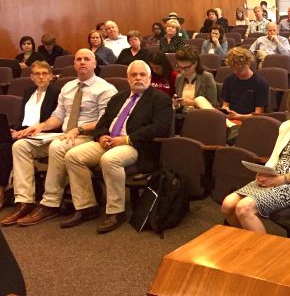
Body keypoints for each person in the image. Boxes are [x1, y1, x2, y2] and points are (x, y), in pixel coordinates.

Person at [0, 49, 117, 227]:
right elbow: (58, 116)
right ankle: (25, 201)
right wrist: (40, 126)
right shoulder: (68, 87)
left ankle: (50, 202)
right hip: (63, 135)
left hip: (88, 137)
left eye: (87, 59)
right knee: (21, 146)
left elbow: (105, 121)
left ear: (95, 64)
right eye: (79, 59)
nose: (82, 62)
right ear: (74, 64)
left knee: (57, 146)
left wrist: (79, 129)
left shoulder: (106, 89)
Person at [62, 61, 172, 233]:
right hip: (108, 142)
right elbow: (103, 122)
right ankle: (86, 206)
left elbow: (159, 128)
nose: (138, 78)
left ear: (149, 78)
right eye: (134, 75)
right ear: (127, 78)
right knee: (73, 156)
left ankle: (116, 211)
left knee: (109, 159)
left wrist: (127, 139)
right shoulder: (118, 98)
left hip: (136, 146)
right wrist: (101, 136)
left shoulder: (160, 99)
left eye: (142, 74)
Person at [220, 83, 290, 233]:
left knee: (244, 208)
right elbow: (275, 157)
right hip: (274, 178)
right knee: (228, 205)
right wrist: (264, 172)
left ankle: (264, 254)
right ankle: (248, 245)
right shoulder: (286, 126)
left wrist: (283, 179)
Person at [0, 61, 58, 209]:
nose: (41, 77)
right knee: (3, 141)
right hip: (24, 132)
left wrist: (29, 131)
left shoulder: (56, 93)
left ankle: (1, 190)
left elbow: (55, 120)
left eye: (45, 73)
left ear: (51, 76)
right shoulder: (28, 92)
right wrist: (16, 130)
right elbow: (23, 117)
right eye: (37, 74)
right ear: (31, 77)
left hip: (43, 133)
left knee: (5, 148)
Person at [219, 47, 269, 121]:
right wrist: (226, 110)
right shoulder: (229, 79)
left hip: (248, 121)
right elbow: (225, 105)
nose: (236, 72)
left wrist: (238, 116)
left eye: (239, 68)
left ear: (248, 64)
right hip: (230, 118)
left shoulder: (260, 83)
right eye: (234, 68)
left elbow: (258, 114)